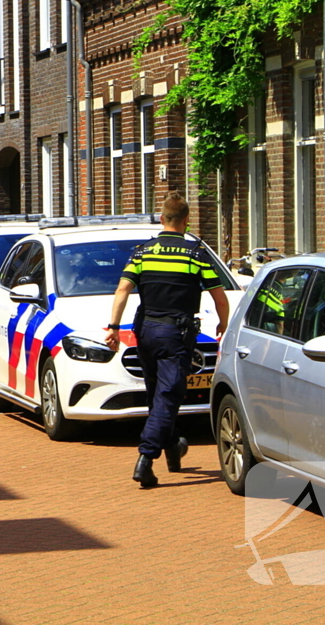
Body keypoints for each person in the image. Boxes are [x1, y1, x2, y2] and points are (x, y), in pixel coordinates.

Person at [104, 192, 230, 488]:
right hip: (176, 334)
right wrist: (223, 323)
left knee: (157, 395)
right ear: (186, 222)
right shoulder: (195, 254)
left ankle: (173, 446)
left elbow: (123, 289)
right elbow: (219, 297)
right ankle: (146, 457)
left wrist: (112, 326)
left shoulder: (142, 252)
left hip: (145, 333)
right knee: (169, 395)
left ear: (162, 219)